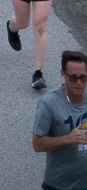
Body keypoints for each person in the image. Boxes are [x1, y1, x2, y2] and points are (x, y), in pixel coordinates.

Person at [32, 49, 87, 190]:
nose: (79, 83)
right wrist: (68, 139)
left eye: (83, 77)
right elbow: (37, 144)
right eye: (73, 77)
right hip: (59, 185)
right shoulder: (49, 103)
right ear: (63, 74)